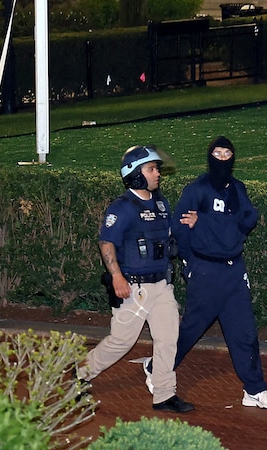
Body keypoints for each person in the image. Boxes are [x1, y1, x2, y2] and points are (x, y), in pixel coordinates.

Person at [146, 136, 267, 409]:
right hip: (206, 270)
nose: (222, 158)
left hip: (234, 270)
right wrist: (191, 264)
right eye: (217, 153)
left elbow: (248, 220)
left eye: (226, 153)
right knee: (191, 328)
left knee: (244, 332)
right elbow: (181, 230)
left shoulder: (238, 189)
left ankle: (254, 389)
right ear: (210, 156)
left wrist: (207, 222)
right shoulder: (197, 189)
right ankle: (156, 366)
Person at [77, 145, 193, 413]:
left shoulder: (161, 203)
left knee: (167, 339)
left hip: (162, 286)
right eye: (152, 169)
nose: (157, 174)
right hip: (134, 289)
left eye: (157, 169)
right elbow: (106, 244)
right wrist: (116, 277)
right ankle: (80, 374)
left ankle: (164, 394)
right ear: (136, 174)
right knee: (121, 342)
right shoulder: (122, 208)